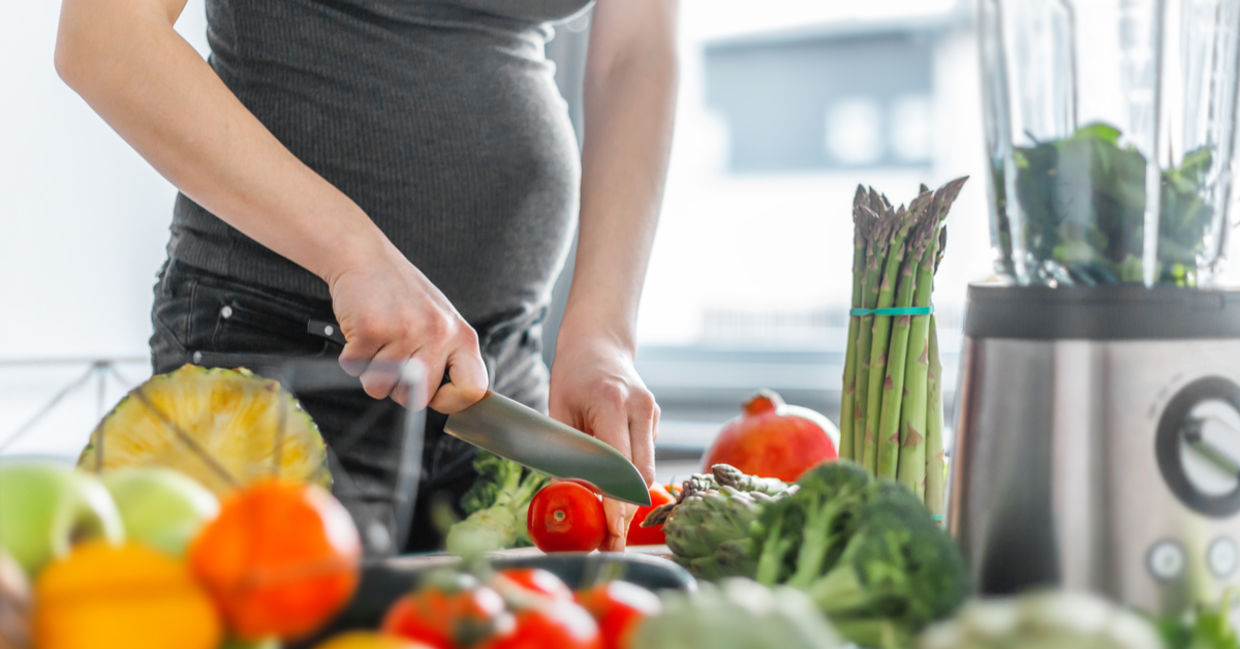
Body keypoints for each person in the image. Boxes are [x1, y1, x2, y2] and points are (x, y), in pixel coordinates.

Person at [54, 0, 678, 551]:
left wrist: (602, 335)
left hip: (500, 385)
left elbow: (637, 52)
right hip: (278, 364)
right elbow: (105, 36)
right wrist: (353, 254)